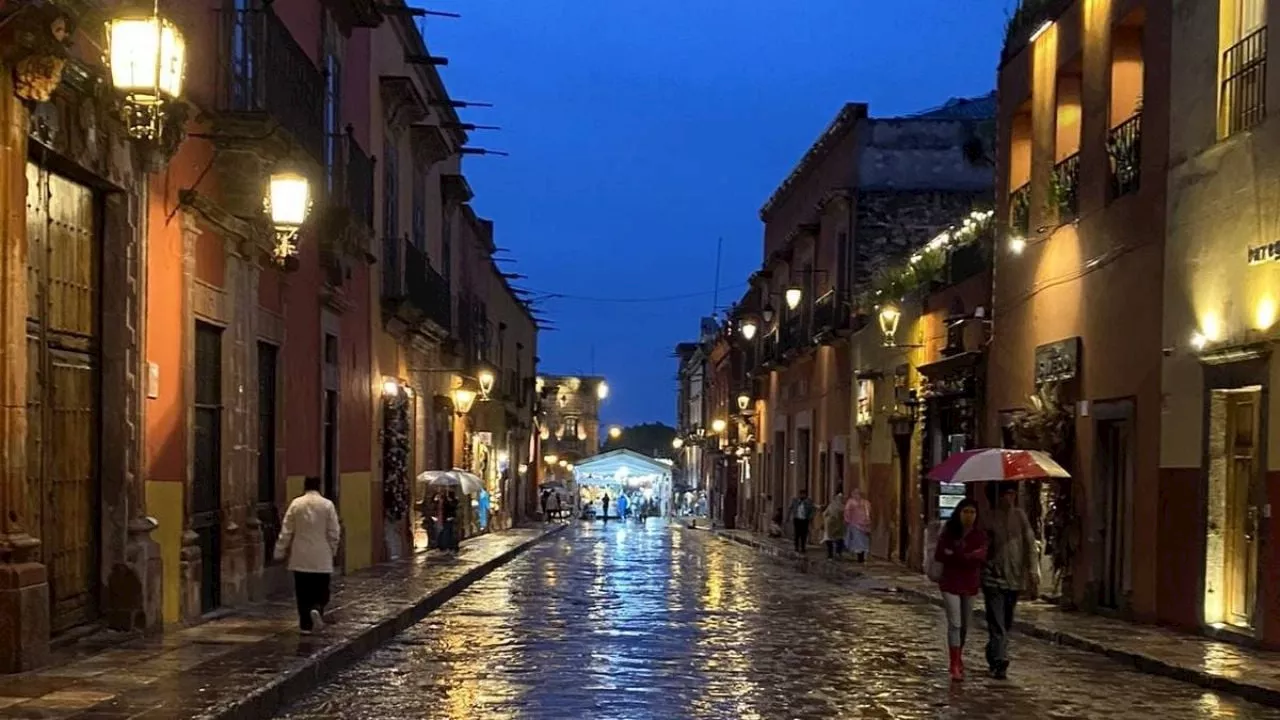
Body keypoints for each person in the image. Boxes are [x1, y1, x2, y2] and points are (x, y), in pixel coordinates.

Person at [982, 482, 1040, 680]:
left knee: (1006, 622)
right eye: (1006, 494)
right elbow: (981, 547)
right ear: (997, 496)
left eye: (1012, 494)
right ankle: (1000, 659)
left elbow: (1030, 543)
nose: (1010, 498)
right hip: (992, 579)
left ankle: (993, 650)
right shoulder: (987, 518)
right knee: (997, 621)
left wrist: (1033, 570)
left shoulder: (1020, 516)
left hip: (1015, 578)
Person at [274, 476, 341, 634]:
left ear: (304, 486)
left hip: (300, 555)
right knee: (321, 590)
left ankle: (305, 625)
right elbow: (334, 531)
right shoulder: (327, 505)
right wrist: (333, 550)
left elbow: (287, 530)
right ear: (319, 486)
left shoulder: (296, 504)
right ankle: (317, 607)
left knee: (302, 591)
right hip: (321, 555)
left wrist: (280, 550)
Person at [935, 499, 988, 682]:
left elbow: (981, 557)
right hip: (950, 583)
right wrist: (966, 556)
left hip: (970, 583)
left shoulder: (979, 535)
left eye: (972, 512)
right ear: (959, 513)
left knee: (965, 624)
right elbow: (941, 554)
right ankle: (954, 664)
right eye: (965, 511)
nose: (969, 516)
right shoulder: (949, 533)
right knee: (955, 623)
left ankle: (959, 655)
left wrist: (959, 555)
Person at [844, 487, 872, 563]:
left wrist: (847, 520)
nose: (857, 495)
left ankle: (861, 556)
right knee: (859, 540)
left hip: (859, 524)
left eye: (858, 493)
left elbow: (847, 511)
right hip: (857, 524)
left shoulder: (861, 502)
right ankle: (860, 556)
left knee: (860, 540)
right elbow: (847, 512)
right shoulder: (861, 502)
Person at [788, 488, 815, 554]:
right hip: (797, 519)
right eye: (801, 494)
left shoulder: (809, 501)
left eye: (804, 494)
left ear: (805, 495)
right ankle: (796, 547)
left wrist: (810, 517)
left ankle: (803, 547)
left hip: (805, 520)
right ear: (799, 495)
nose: (802, 496)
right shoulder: (795, 500)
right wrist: (788, 517)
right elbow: (790, 508)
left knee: (804, 534)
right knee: (797, 534)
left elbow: (812, 509)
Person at [823, 486, 846, 559]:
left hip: (833, 525)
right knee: (837, 539)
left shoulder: (832, 505)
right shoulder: (842, 506)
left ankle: (832, 554)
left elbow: (825, 514)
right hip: (836, 525)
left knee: (833, 539)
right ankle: (836, 553)